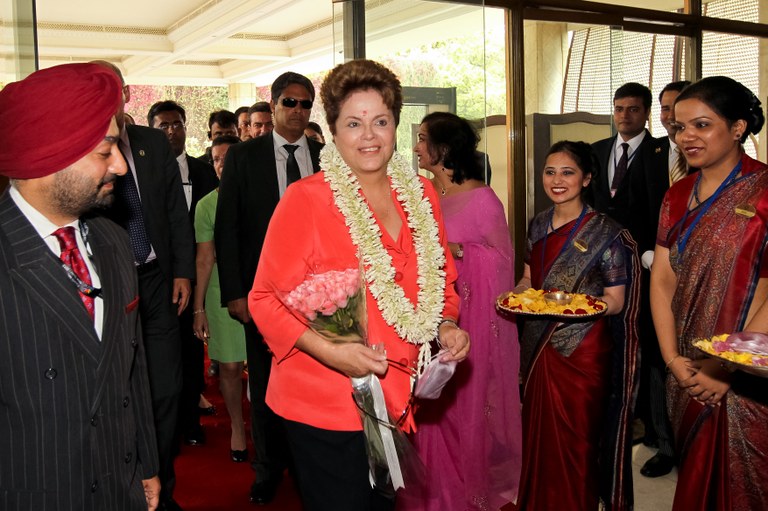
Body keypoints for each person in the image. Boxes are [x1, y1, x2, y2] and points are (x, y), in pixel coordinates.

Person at [248, 59, 470, 511]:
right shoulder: (305, 199)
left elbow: (442, 279)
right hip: (326, 404)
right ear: (332, 130)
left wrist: (446, 323)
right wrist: (332, 352)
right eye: (354, 123)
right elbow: (264, 299)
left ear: (395, 126)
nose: (369, 136)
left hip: (397, 401)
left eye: (380, 121)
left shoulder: (422, 194)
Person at [0, 62, 160, 510]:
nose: (122, 166)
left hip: (119, 485)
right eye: (105, 150)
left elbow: (133, 366)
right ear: (48, 156)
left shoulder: (111, 238)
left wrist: (146, 464)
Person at [650, 76, 768, 510]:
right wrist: (671, 360)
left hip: (748, 376)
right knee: (697, 479)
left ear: (737, 128)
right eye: (680, 127)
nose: (686, 138)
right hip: (685, 366)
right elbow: (662, 280)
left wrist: (724, 368)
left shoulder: (764, 190)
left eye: (701, 125)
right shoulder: (676, 196)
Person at [403, 111, 521, 510]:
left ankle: (464, 488)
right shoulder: (425, 195)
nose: (417, 146)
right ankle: (434, 482)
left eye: (422, 138)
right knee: (431, 402)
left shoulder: (483, 198)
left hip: (471, 322)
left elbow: (502, 263)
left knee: (463, 404)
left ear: (444, 148)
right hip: (427, 317)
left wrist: (453, 251)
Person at [215, 71, 323, 505]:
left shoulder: (325, 157)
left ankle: (307, 464)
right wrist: (236, 292)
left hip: (322, 293)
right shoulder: (244, 157)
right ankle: (267, 468)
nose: (298, 111)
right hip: (264, 293)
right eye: (290, 103)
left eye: (305, 104)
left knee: (312, 380)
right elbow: (228, 228)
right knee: (263, 383)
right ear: (273, 106)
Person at [514, 141, 640, 510]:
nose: (556, 180)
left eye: (567, 172)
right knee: (538, 433)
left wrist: (572, 305)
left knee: (579, 438)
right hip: (538, 346)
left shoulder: (608, 233)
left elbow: (617, 302)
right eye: (550, 171)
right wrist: (518, 294)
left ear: (586, 179)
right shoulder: (538, 223)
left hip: (583, 350)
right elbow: (527, 278)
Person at [93, 60, 195, 511]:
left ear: (125, 94)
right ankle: (127, 488)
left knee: (167, 387)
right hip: (112, 284)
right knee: (121, 388)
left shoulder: (154, 143)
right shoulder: (88, 151)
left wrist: (183, 272)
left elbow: (176, 213)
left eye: (111, 89)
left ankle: (162, 486)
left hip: (157, 280)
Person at [148, 100, 220, 448]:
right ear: (152, 130)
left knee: (192, 351)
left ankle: (190, 420)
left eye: (177, 124)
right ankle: (165, 426)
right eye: (164, 125)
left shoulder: (204, 170)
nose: (172, 130)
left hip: (198, 273)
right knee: (163, 352)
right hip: (160, 277)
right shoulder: (144, 174)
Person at [635, 80, 692, 479]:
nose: (673, 118)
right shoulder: (651, 154)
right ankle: (664, 442)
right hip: (657, 271)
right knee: (659, 356)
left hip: (710, 278)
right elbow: (636, 209)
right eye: (667, 109)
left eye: (679, 109)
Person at [192, 135, 248, 463]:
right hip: (219, 294)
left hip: (257, 292)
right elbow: (204, 258)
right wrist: (198, 308)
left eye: (229, 157)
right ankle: (238, 427)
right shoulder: (205, 205)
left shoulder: (257, 197)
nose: (222, 164)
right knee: (228, 366)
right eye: (216, 159)